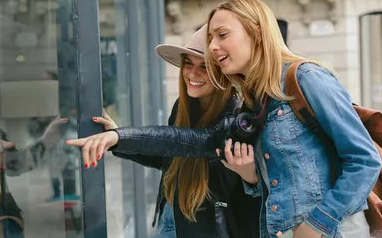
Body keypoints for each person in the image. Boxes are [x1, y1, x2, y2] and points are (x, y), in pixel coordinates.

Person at [204, 0, 382, 238]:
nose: (212, 46)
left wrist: (318, 224)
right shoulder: (254, 101)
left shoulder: (305, 78)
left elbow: (365, 161)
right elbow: (287, 182)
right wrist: (252, 177)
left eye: (222, 35)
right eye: (210, 38)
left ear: (256, 32)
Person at [69, 25, 261, 238]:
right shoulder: (184, 106)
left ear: (221, 73)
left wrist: (120, 137)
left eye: (204, 67)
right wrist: (116, 141)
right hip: (172, 218)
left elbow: (184, 141)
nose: (192, 73)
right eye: (188, 63)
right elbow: (169, 155)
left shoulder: (234, 118)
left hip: (207, 229)